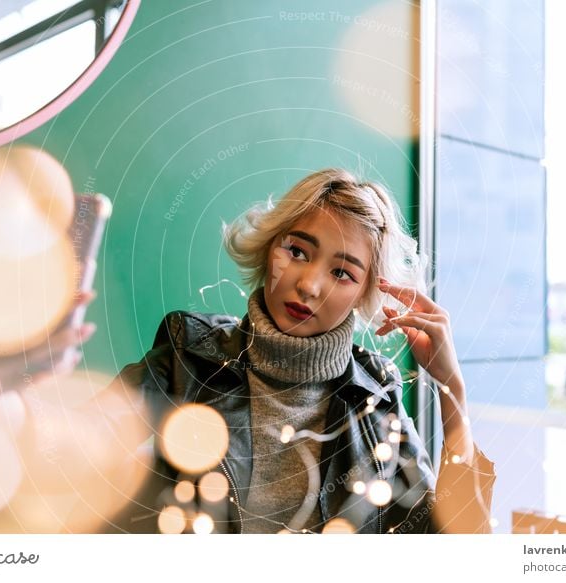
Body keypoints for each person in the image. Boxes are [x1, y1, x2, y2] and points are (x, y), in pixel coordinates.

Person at [107, 168, 496, 534]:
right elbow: (76, 454)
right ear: (269, 247)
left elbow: (452, 544)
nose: (309, 285)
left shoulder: (377, 394)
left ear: (365, 293)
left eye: (342, 273)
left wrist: (452, 389)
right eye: (296, 251)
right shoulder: (187, 353)